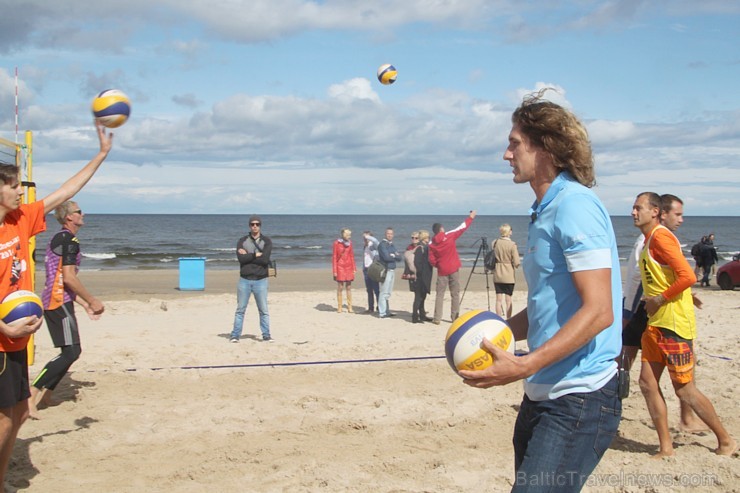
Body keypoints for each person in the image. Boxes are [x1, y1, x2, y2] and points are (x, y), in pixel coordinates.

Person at [460, 93, 622, 492]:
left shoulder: (575, 206)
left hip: (580, 395)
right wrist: (492, 333)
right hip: (541, 392)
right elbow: (547, 305)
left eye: (514, 143)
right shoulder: (544, 210)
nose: (506, 154)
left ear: (545, 146)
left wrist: (524, 364)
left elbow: (600, 310)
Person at [0, 121, 113, 489]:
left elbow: (65, 190)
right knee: (5, 417)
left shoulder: (20, 220)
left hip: (18, 338)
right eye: (14, 185)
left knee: (17, 413)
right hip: (3, 335)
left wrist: (100, 155)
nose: (21, 191)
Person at [632, 192, 735, 457]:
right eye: (633, 208)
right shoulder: (648, 240)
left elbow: (687, 275)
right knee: (647, 384)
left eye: (638, 208)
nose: (633, 212)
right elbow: (670, 277)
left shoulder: (661, 237)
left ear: (655, 211)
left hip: (673, 325)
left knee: (684, 390)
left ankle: (725, 440)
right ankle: (666, 447)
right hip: (656, 323)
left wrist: (659, 299)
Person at [620, 194, 704, 433]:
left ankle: (687, 420)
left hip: (659, 312)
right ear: (661, 213)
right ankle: (609, 409)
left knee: (666, 376)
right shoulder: (648, 241)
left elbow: (670, 278)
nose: (681, 220)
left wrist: (687, 295)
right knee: (628, 365)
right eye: (677, 214)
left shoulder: (662, 239)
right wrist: (630, 314)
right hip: (643, 312)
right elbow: (638, 282)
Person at [28, 201, 105, 418]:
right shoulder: (68, 240)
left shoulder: (64, 238)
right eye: (79, 211)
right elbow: (69, 278)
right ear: (69, 217)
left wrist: (84, 304)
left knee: (71, 352)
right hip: (56, 301)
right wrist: (92, 300)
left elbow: (62, 279)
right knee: (70, 351)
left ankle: (47, 395)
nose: (83, 213)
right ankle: (31, 393)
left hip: (60, 299)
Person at [428, 211, 476, 325]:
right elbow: (462, 228)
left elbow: (431, 259)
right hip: (453, 268)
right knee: (454, 293)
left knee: (440, 294)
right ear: (441, 230)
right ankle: (454, 317)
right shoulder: (448, 236)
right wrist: (471, 217)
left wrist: (438, 264)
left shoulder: (431, 244)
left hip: (442, 270)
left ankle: (437, 318)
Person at [230, 215, 272, 342]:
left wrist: (248, 256)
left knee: (263, 310)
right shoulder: (242, 241)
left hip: (261, 280)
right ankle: (235, 335)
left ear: (260, 226)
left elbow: (265, 260)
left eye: (257, 224)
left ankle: (266, 335)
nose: (255, 226)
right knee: (240, 310)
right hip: (244, 280)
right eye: (252, 224)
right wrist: (255, 255)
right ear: (249, 226)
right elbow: (240, 259)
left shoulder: (266, 241)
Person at [491, 223, 520, 319]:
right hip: (508, 274)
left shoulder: (495, 243)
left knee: (498, 300)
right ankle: (508, 319)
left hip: (498, 273)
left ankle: (498, 318)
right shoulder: (512, 245)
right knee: (508, 300)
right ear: (509, 232)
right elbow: (516, 262)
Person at [377, 227, 403, 319]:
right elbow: (386, 257)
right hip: (385, 270)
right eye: (388, 233)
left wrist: (393, 256)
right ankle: (382, 313)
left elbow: (400, 258)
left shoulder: (392, 245)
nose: (390, 235)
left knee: (388, 292)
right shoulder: (382, 245)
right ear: (385, 234)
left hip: (392, 270)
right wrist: (393, 256)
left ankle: (387, 311)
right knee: (383, 291)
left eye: (391, 234)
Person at [410, 230, 433, 323]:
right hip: (420, 277)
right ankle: (415, 317)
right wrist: (421, 273)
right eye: (427, 237)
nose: (429, 239)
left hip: (424, 276)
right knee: (418, 297)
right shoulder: (420, 248)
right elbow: (417, 263)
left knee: (422, 297)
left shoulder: (425, 247)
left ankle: (422, 315)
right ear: (424, 238)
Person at [332, 228, 356, 313]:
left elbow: (352, 255)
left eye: (349, 235)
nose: (349, 236)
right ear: (343, 234)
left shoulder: (350, 243)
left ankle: (350, 307)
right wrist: (334, 271)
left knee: (349, 287)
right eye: (347, 235)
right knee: (340, 287)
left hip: (349, 266)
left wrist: (354, 268)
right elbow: (334, 257)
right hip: (340, 267)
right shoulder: (336, 243)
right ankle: (339, 307)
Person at [361, 231, 380, 313]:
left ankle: (380, 307)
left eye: (367, 238)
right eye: (364, 238)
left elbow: (376, 241)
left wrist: (368, 237)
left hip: (372, 269)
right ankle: (370, 307)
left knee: (376, 289)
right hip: (366, 269)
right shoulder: (365, 246)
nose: (365, 239)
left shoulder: (373, 245)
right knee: (369, 289)